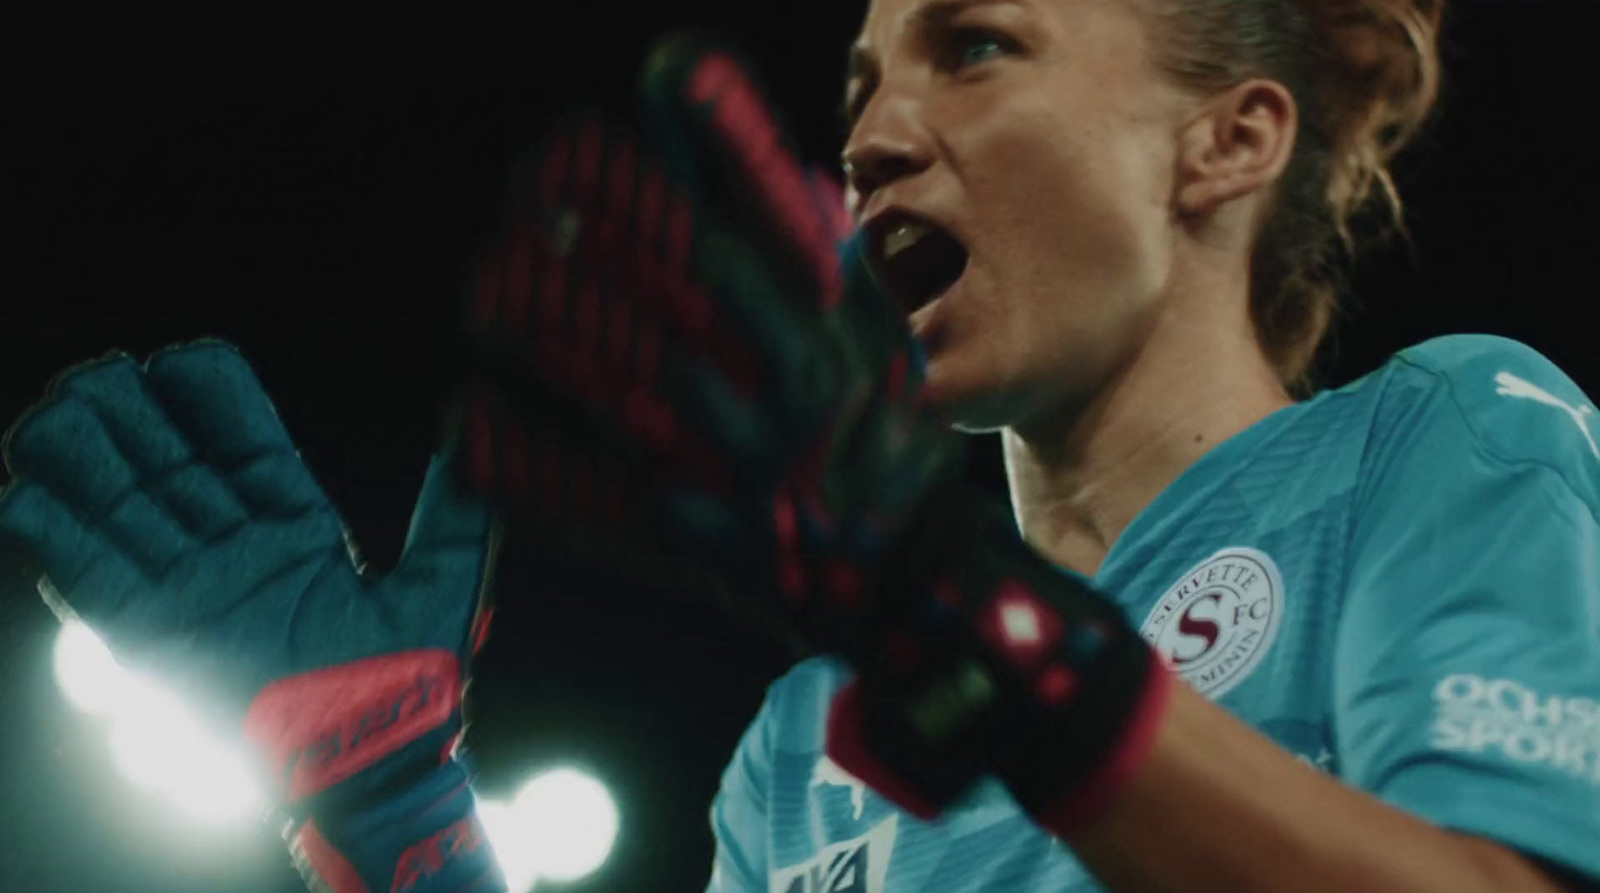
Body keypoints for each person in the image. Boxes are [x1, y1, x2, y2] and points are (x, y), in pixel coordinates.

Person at [1, 5, 1596, 893]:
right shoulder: (809, 735)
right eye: (861, 83)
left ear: (1231, 139)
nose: (871, 135)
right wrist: (400, 818)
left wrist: (1001, 653)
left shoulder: (1434, 440)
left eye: (975, 46)